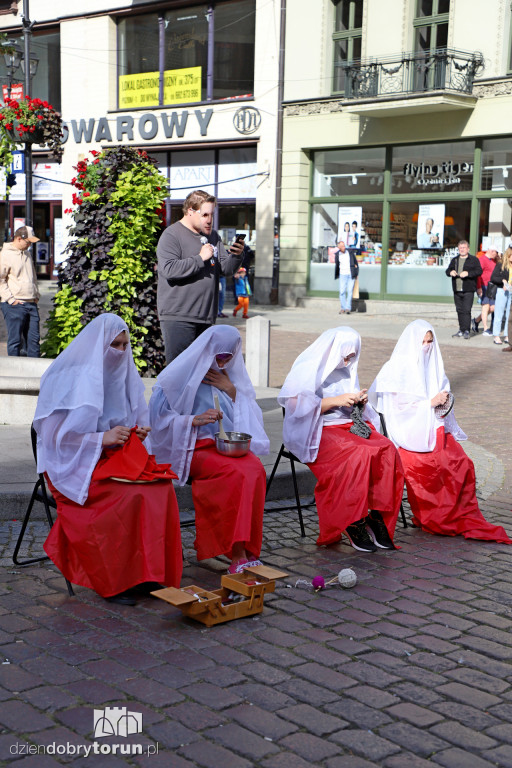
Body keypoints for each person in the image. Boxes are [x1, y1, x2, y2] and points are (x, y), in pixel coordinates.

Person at [33, 314, 183, 606]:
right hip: (74, 464)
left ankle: (146, 572)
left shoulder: (125, 373)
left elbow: (137, 416)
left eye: (126, 345)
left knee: (159, 489)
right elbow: (54, 439)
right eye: (114, 345)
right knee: (126, 497)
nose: (121, 352)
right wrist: (102, 438)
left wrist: (137, 433)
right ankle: (115, 580)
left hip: (117, 457)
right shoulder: (68, 378)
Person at [368, 319, 511, 544]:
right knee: (434, 465)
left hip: (432, 428)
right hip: (407, 435)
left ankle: (454, 514)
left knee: (462, 463)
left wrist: (441, 399)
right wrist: (429, 403)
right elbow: (395, 411)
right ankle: (435, 515)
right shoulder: (395, 369)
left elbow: (441, 395)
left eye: (430, 341)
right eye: (422, 342)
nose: (426, 346)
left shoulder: (433, 364)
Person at [149, 325, 270, 574]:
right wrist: (193, 420)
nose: (224, 361)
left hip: (224, 446)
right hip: (192, 448)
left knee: (255, 469)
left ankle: (247, 548)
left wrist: (231, 390)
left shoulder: (231, 377)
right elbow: (157, 421)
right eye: (219, 356)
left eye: (230, 356)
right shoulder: (178, 377)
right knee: (235, 474)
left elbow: (251, 417)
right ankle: (235, 552)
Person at [278, 327, 405, 553]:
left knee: (386, 448)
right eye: (344, 356)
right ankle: (352, 519)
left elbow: (349, 402)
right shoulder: (308, 367)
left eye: (352, 357)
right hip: (316, 428)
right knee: (358, 454)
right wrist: (335, 400)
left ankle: (375, 513)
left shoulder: (347, 369)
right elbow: (294, 406)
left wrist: (358, 401)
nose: (347, 362)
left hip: (347, 426)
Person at [156, 189, 244, 363]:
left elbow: (225, 269)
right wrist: (200, 258)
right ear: (190, 211)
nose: (209, 220)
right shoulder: (171, 235)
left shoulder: (212, 236)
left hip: (205, 317)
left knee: (200, 373)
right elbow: (169, 270)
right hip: (179, 317)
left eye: (211, 214)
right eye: (204, 215)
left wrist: (237, 256)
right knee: (179, 373)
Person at [0, 225, 41, 357]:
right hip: (14, 304)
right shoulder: (5, 255)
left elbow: (33, 276)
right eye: (28, 242)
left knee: (34, 341)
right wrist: (11, 300)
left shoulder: (27, 253)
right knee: (15, 341)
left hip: (31, 303)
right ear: (18, 239)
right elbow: (1, 280)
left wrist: (36, 295)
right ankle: (14, 373)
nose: (29, 245)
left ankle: (34, 374)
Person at [445, 240, 482, 339]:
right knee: (459, 310)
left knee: (466, 310)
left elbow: (479, 271)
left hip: (468, 289)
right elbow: (447, 270)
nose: (462, 250)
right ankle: (461, 330)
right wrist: (451, 272)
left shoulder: (473, 259)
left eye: (464, 248)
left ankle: (466, 330)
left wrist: (468, 274)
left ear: (468, 249)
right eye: (460, 248)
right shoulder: (455, 260)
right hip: (457, 289)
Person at [473, 246, 499, 336]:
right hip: (484, 285)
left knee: (493, 307)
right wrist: (479, 287)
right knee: (485, 306)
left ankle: (476, 320)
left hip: (492, 286)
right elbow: (478, 274)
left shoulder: (494, 260)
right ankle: (485, 328)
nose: (497, 254)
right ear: (491, 251)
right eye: (496, 252)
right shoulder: (482, 259)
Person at [488, 246, 512, 345]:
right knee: (499, 313)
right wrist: (502, 281)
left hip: (511, 291)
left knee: (509, 315)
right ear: (508, 255)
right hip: (502, 291)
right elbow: (493, 277)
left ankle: (507, 335)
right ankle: (496, 335)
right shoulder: (501, 264)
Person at [334, 239, 359, 314]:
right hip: (342, 275)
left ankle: (348, 308)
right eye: (342, 246)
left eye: (344, 245)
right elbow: (337, 265)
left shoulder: (350, 252)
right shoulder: (337, 255)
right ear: (339, 248)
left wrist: (356, 273)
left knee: (350, 291)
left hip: (350, 274)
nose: (344, 247)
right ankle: (343, 308)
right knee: (342, 291)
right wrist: (337, 274)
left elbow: (356, 263)